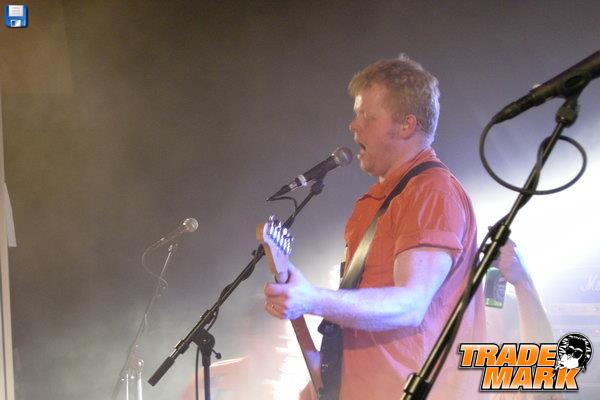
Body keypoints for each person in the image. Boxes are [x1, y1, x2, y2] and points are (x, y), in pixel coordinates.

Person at [263, 55, 486, 400]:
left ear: (406, 125)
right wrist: (324, 383)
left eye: (367, 116)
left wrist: (312, 299)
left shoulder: (431, 191)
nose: (353, 126)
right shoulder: (375, 202)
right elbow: (361, 322)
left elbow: (411, 304)